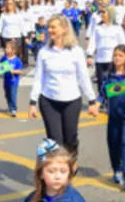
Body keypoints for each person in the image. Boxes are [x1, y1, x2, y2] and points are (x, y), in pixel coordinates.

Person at [31, 15, 100, 160]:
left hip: (72, 101)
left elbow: (83, 78)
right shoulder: (44, 52)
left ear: (64, 29)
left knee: (70, 140)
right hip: (49, 100)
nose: (50, 30)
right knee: (55, 141)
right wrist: (33, 102)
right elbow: (38, 78)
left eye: (53, 27)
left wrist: (92, 101)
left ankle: (71, 162)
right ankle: (59, 172)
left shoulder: (76, 51)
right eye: (49, 27)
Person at [101, 45, 125, 191]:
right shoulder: (108, 75)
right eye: (115, 55)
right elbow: (103, 94)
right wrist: (97, 103)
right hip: (113, 115)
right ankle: (116, 170)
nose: (117, 58)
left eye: (120, 55)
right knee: (113, 144)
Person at [87, 6, 125, 99]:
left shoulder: (117, 28)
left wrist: (124, 57)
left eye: (104, 12)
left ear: (110, 14)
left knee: (113, 80)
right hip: (100, 58)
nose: (102, 15)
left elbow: (123, 44)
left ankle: (113, 101)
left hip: (113, 59)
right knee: (101, 81)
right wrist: (89, 54)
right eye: (101, 13)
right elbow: (93, 41)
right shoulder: (98, 27)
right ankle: (103, 99)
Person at [0, 41, 24, 117]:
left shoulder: (17, 60)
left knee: (13, 95)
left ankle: (13, 109)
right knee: (7, 95)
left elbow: (20, 71)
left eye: (8, 48)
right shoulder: (4, 58)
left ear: (14, 50)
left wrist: (14, 71)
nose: (6, 49)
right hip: (6, 81)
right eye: (6, 48)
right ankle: (10, 106)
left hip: (14, 82)